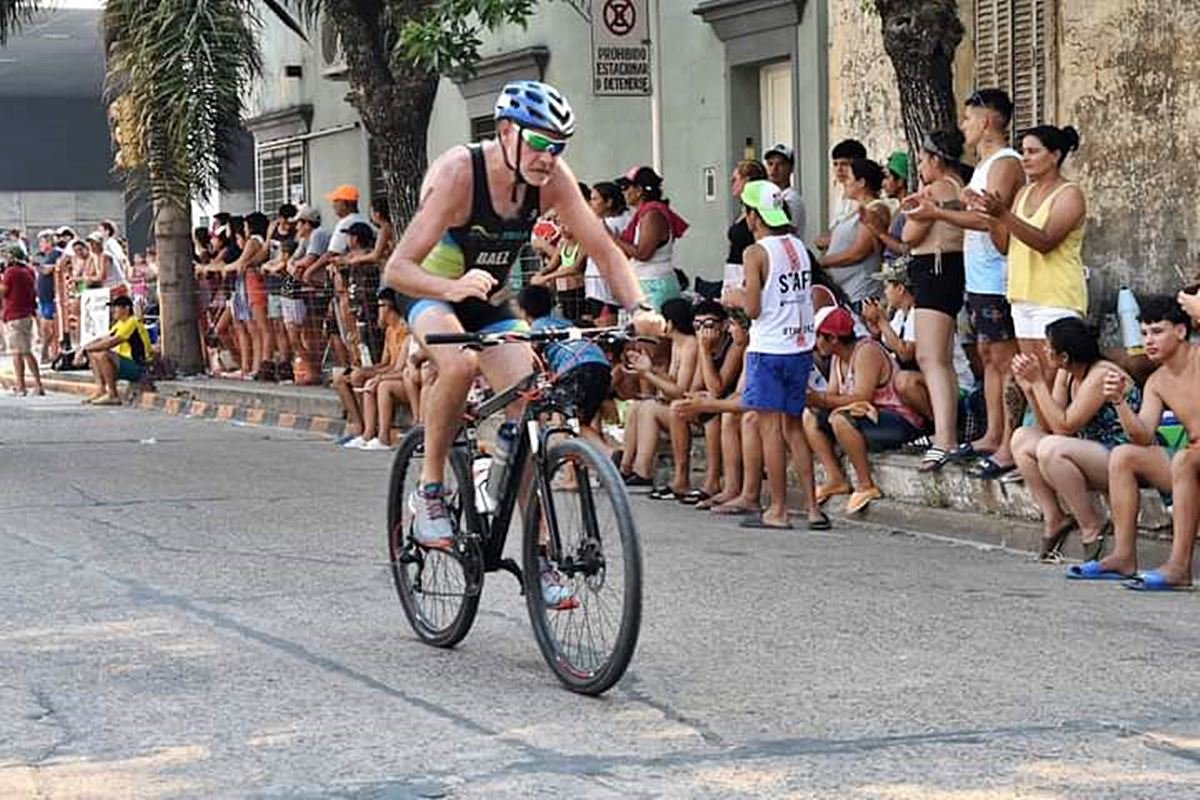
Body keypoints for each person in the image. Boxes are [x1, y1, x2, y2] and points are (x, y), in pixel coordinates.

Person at [382, 80, 653, 610]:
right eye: (539, 142)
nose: (549, 158)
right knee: (458, 366)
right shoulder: (460, 175)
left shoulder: (552, 180)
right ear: (505, 131)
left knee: (530, 407)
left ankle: (543, 557)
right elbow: (398, 268)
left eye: (560, 147)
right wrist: (450, 288)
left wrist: (640, 308)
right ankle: (431, 491)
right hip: (428, 289)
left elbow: (602, 248)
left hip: (486, 297)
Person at [1073, 296, 1199, 591]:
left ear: (1181, 331)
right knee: (1124, 455)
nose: (1148, 341)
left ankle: (1179, 567)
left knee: (1183, 459)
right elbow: (1142, 436)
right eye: (1144, 333)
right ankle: (1123, 557)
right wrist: (1118, 401)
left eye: (1157, 332)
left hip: (1190, 460)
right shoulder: (1156, 381)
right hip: (1192, 461)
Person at [723, 179, 825, 530]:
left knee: (770, 430)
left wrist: (733, 296)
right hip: (799, 345)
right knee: (794, 427)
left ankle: (778, 510)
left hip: (768, 348)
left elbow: (752, 309)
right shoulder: (797, 245)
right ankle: (813, 507)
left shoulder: (756, 253)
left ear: (753, 216)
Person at [939, 89, 1026, 475]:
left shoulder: (1006, 163)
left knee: (1006, 360)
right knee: (988, 357)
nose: (964, 126)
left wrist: (940, 214)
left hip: (997, 276)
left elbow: (990, 219)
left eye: (968, 118)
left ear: (987, 120)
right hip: (979, 277)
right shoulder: (984, 163)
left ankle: (1010, 440)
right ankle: (992, 433)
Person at [1009, 318, 1139, 562]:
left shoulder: (1101, 373)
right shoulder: (1065, 374)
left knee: (1051, 448)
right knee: (1022, 439)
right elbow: (1050, 424)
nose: (1044, 351)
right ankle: (1054, 518)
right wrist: (1030, 389)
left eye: (1049, 347)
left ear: (1065, 356)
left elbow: (1065, 426)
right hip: (1087, 451)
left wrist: (1038, 383)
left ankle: (1091, 526)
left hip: (1121, 454)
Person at [973, 125, 1086, 383]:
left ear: (1055, 155)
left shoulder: (1070, 194)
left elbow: (1045, 241)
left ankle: (1058, 424)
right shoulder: (1023, 193)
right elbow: (1005, 246)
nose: (1025, 158)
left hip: (1056, 297)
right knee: (1030, 378)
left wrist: (1002, 214)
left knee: (1054, 377)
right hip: (1022, 296)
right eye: (1023, 151)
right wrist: (991, 218)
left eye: (1033, 151)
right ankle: (1038, 424)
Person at [804, 305, 924, 514]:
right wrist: (814, 400)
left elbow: (861, 397)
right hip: (867, 417)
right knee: (810, 416)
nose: (815, 344)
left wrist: (819, 398)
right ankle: (835, 478)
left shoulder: (866, 351)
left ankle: (866, 484)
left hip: (897, 420)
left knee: (840, 419)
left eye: (818, 337)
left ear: (832, 338)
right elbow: (833, 394)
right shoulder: (837, 358)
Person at [900, 130, 968, 472]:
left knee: (931, 358)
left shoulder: (934, 191)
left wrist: (914, 211)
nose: (920, 166)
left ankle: (945, 438)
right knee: (941, 359)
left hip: (934, 268)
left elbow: (909, 235)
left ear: (935, 159)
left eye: (923, 159)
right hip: (949, 269)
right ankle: (945, 431)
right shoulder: (959, 186)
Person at [516, 284, 613, 456]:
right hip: (601, 366)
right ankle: (583, 470)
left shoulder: (536, 329)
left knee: (566, 421)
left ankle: (608, 455)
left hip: (576, 369)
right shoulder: (565, 323)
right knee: (578, 423)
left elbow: (532, 361)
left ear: (523, 312)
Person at [618, 298, 698, 487]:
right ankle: (624, 467)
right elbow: (670, 381)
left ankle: (642, 470)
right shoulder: (676, 344)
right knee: (637, 405)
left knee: (648, 408)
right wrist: (650, 368)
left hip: (689, 410)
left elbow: (680, 391)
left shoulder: (690, 345)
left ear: (670, 323)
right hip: (674, 405)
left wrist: (647, 373)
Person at [339, 288, 411, 450]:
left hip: (404, 377)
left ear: (388, 307)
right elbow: (385, 363)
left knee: (381, 385)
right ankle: (366, 431)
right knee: (354, 376)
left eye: (379, 306)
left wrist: (379, 377)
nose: (377, 310)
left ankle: (382, 436)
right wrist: (366, 370)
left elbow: (398, 368)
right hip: (394, 372)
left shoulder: (405, 331)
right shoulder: (390, 331)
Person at [614, 166, 689, 309]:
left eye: (626, 187)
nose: (623, 192)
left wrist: (614, 240)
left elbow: (643, 253)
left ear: (639, 190)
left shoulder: (652, 215)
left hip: (655, 285)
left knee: (651, 330)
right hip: (646, 282)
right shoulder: (644, 214)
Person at [819, 158, 888, 308]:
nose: (845, 182)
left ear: (861, 182)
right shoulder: (855, 210)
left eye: (849, 178)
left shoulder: (875, 210)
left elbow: (858, 252)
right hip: (847, 294)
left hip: (861, 295)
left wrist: (822, 262)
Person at [80, 295, 150, 405]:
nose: (113, 310)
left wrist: (84, 349)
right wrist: (84, 348)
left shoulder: (132, 322)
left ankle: (113, 394)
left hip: (138, 365)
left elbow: (109, 343)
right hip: (125, 363)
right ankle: (101, 389)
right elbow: (103, 339)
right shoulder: (119, 324)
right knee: (93, 353)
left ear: (126, 309)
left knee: (104, 354)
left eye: (116, 307)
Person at [1, 245, 45, 396]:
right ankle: (28, 384)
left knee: (21, 352)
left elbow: (3, 291)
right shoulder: (29, 271)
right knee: (22, 351)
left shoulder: (11, 272)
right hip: (26, 313)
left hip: (15, 314)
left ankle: (26, 386)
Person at [584, 181, 629, 324]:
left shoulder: (615, 223)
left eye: (595, 199)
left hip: (605, 288)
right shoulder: (607, 221)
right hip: (597, 285)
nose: (591, 203)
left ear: (609, 202)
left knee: (606, 325)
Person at [723, 159, 768, 291]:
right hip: (735, 269)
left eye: (736, 179)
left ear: (747, 181)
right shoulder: (743, 209)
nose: (732, 183)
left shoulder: (757, 210)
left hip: (746, 270)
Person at [763, 143, 807, 236]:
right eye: (770, 164)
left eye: (781, 164)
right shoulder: (770, 196)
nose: (774, 169)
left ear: (791, 168)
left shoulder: (792, 199)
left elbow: (785, 232)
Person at [34, 230, 62, 364]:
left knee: (49, 327)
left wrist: (36, 265)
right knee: (45, 327)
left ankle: (48, 352)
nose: (40, 245)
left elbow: (47, 270)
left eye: (42, 242)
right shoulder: (46, 256)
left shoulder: (56, 253)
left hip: (51, 297)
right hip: (44, 297)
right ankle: (47, 352)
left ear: (49, 242)